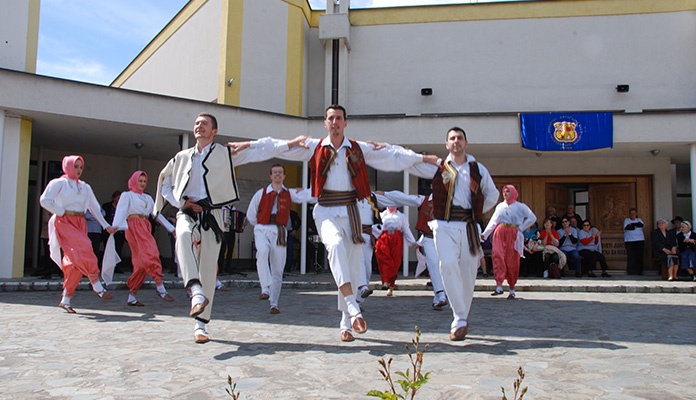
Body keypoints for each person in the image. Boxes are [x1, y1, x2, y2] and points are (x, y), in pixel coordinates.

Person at [273, 104, 439, 342]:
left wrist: (423, 157)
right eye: (330, 118)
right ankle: (353, 307)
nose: (335, 122)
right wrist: (246, 147)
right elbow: (275, 146)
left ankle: (345, 323)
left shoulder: (359, 148)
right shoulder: (314, 147)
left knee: (351, 266)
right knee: (335, 245)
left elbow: (392, 155)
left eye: (339, 118)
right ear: (325, 123)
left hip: (351, 211)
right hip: (325, 210)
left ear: (345, 123)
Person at [154, 112, 306, 344]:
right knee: (182, 234)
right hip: (187, 210)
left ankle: (200, 326)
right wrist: (179, 203)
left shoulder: (224, 154)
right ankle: (194, 290)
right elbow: (165, 181)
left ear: (214, 131)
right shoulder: (182, 157)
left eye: (204, 124)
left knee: (207, 268)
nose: (199, 126)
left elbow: (260, 151)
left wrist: (289, 144)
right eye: (196, 123)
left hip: (213, 214)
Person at [426, 127, 498, 341]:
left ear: (466, 143)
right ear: (446, 144)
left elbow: (492, 194)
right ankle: (459, 317)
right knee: (447, 264)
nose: (456, 141)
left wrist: (476, 211)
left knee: (468, 271)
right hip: (444, 225)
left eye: (460, 138)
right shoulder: (439, 167)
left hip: (468, 225)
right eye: (452, 138)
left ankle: (461, 318)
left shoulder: (477, 169)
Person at [39, 155, 118, 313]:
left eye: (81, 167)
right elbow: (45, 200)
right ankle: (96, 284)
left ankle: (66, 299)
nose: (79, 170)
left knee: (73, 263)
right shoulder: (59, 183)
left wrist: (106, 225)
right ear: (67, 166)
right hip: (64, 222)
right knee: (85, 247)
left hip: (80, 223)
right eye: (76, 166)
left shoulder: (85, 187)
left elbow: (94, 208)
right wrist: (61, 212)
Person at [246, 164, 313, 314]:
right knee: (262, 252)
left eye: (280, 173)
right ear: (270, 176)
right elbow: (251, 214)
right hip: (262, 228)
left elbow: (308, 195)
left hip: (280, 231)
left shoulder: (289, 193)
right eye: (274, 172)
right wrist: (261, 224)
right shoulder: (261, 193)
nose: (277, 175)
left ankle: (274, 303)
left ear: (284, 176)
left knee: (277, 269)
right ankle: (265, 288)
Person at [112, 171, 176, 306]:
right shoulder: (127, 195)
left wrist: (171, 228)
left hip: (145, 226)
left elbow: (156, 215)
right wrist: (115, 227)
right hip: (134, 227)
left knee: (141, 263)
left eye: (144, 181)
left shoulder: (148, 198)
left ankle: (132, 296)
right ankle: (160, 287)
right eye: (140, 181)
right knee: (150, 253)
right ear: (134, 181)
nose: (142, 184)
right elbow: (121, 211)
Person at [377, 190, 448, 311]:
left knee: (446, 265)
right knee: (433, 264)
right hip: (429, 238)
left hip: (446, 238)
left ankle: (443, 294)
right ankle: (440, 295)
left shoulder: (451, 201)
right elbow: (404, 198)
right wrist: (386, 194)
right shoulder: (423, 200)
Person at [481, 184, 536, 299]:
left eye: (508, 191)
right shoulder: (500, 206)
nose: (505, 193)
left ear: (513, 192)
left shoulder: (520, 206)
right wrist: (484, 235)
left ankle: (511, 288)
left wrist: (521, 228)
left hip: (513, 233)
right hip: (500, 232)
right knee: (497, 255)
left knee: (512, 260)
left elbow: (532, 217)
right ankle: (499, 285)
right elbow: (493, 222)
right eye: (504, 191)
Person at [373, 206, 418, 297]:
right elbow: (375, 228)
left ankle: (391, 286)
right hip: (384, 238)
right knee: (384, 259)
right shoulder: (381, 215)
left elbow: (406, 229)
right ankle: (385, 281)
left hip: (396, 238)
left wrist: (413, 242)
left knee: (395, 262)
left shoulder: (401, 216)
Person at [102, 190, 126, 272]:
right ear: (113, 198)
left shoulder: (123, 207)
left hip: (119, 232)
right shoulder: (106, 206)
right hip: (109, 231)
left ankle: (117, 268)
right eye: (118, 198)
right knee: (108, 249)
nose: (119, 200)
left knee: (119, 249)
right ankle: (108, 267)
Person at [623, 208, 646, 275]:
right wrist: (635, 225)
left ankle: (639, 271)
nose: (632, 214)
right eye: (631, 213)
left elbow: (641, 225)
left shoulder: (639, 220)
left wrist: (633, 224)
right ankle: (631, 271)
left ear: (636, 214)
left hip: (640, 240)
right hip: (629, 240)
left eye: (634, 213)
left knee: (639, 256)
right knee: (631, 256)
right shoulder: (626, 220)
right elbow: (629, 227)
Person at [218, 204, 238, 275]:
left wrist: (239, 225)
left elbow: (236, 219)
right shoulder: (223, 208)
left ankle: (228, 267)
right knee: (222, 250)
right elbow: (218, 219)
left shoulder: (234, 208)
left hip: (232, 232)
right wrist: (222, 223)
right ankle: (220, 268)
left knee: (230, 250)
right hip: (225, 232)